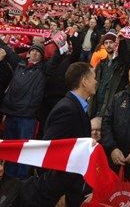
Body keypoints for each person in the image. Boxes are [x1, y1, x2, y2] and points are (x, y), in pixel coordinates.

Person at [17, 62, 96, 206]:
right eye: (93, 78)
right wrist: (57, 191)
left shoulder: (77, 107)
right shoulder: (67, 110)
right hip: (59, 192)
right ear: (84, 81)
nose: (96, 81)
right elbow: (49, 152)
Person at [0, 40, 67, 179]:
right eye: (33, 50)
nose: (35, 53)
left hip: (27, 116)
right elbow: (8, 50)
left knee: (24, 149)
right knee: (11, 148)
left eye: (39, 51)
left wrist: (61, 49)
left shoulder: (43, 69)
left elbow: (55, 60)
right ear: (28, 53)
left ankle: (21, 180)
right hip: (11, 113)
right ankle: (9, 177)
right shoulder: (19, 64)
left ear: (42, 57)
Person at [91, 32, 130, 117]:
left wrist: (122, 42)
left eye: (111, 42)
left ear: (115, 44)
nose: (108, 45)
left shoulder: (121, 64)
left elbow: (127, 58)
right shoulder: (101, 64)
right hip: (97, 106)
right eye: (106, 43)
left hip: (112, 108)